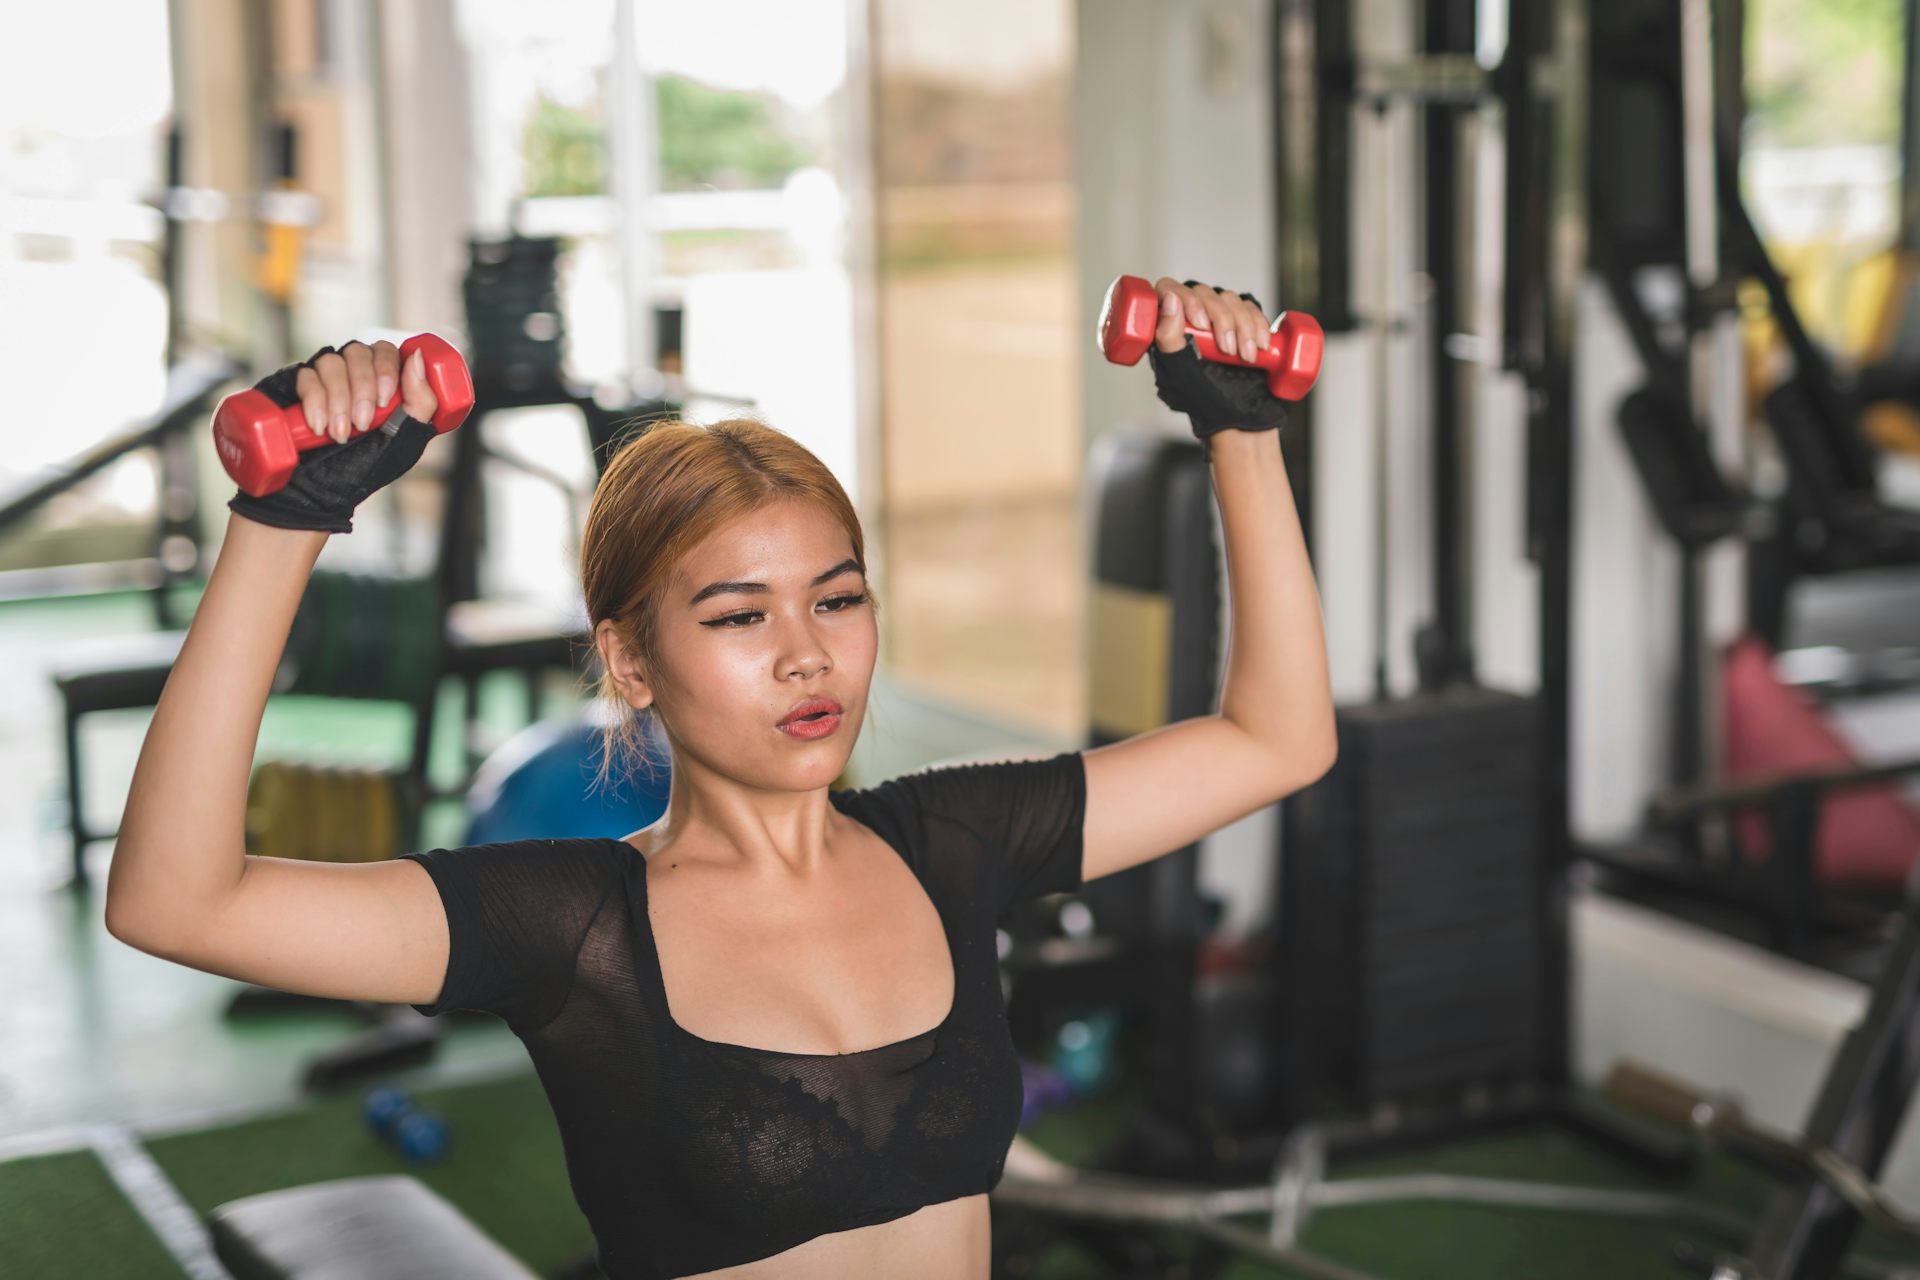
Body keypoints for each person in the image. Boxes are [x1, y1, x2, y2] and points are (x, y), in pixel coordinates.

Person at [105, 277, 1336, 1280]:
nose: (809, 652)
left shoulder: (953, 838)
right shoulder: (574, 927)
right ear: (631, 660)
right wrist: (285, 522)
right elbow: (175, 897)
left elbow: (1280, 737)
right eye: (741, 617)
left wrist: (1243, 431)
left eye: (838, 599)